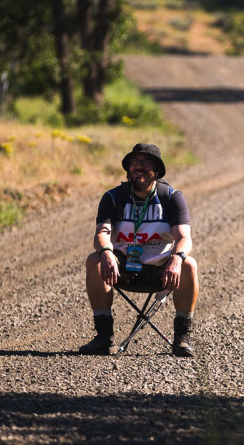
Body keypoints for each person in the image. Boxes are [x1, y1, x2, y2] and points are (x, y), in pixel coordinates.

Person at [78, 143, 199, 357]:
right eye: (134, 162)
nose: (138, 167)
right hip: (121, 268)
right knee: (94, 260)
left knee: (189, 264)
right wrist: (106, 252)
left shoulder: (171, 197)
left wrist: (177, 259)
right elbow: (101, 234)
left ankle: (182, 338)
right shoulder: (113, 197)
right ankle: (104, 338)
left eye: (146, 162)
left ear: (157, 171)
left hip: (161, 273)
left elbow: (184, 238)